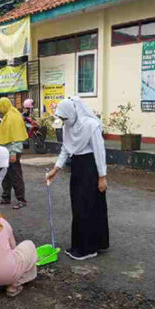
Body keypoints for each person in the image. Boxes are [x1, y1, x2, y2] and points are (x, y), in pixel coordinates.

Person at [46, 97, 109, 261]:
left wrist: (102, 177)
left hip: (90, 169)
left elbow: (99, 151)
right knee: (78, 206)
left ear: (72, 112)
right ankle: (80, 245)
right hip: (77, 168)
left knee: (87, 206)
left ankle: (88, 249)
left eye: (65, 118)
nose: (64, 121)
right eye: (62, 119)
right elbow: (66, 148)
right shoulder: (69, 126)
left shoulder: (90, 125)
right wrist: (56, 168)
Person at [0, 97, 29, 210]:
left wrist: (13, 153)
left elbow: (16, 137)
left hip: (12, 152)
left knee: (15, 176)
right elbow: (5, 132)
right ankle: (6, 197)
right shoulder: (8, 116)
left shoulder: (13, 117)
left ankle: (21, 200)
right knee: (6, 176)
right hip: (6, 151)